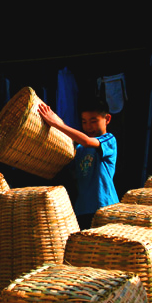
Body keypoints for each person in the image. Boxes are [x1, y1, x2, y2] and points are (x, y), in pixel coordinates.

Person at [37, 97, 119, 229]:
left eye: (93, 121)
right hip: (82, 209)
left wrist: (56, 124)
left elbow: (87, 141)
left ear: (107, 119)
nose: (88, 126)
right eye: (84, 122)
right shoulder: (79, 149)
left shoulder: (108, 140)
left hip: (105, 206)